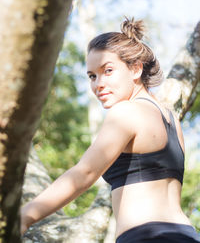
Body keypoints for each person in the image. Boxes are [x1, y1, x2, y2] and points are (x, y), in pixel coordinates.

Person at [21, 17, 200, 242]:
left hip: (146, 236)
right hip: (186, 235)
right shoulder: (171, 119)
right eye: (92, 76)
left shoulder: (126, 111)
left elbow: (85, 173)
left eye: (108, 70)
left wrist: (25, 216)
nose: (98, 84)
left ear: (135, 69)